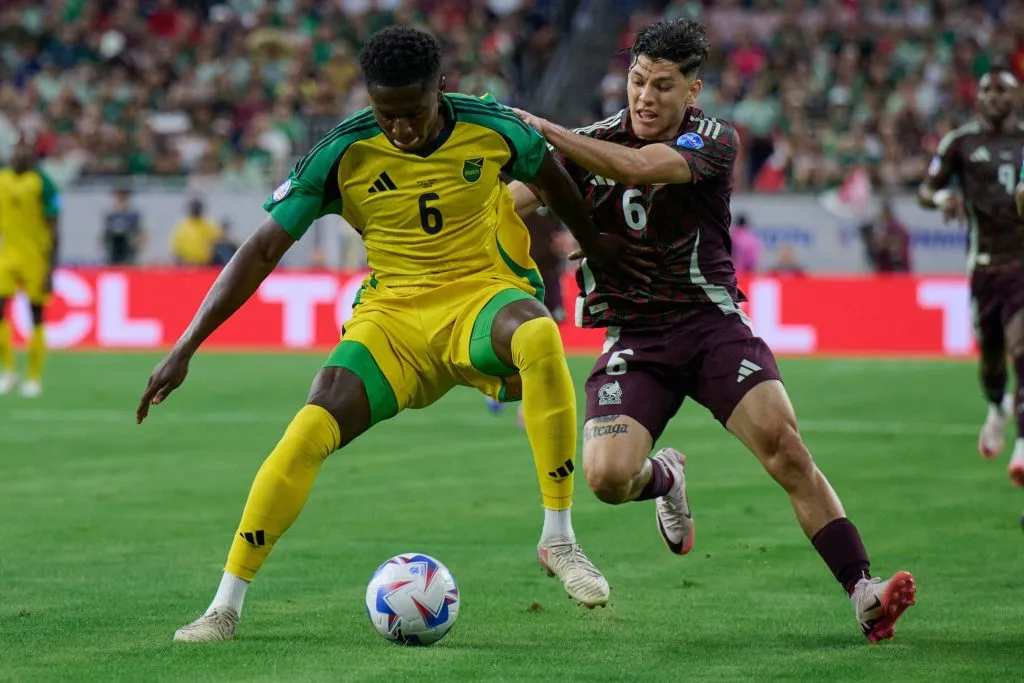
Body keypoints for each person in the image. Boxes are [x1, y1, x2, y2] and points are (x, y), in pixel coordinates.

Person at [137, 25, 652, 642]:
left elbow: (554, 183)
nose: (401, 129)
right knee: (309, 424)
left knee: (539, 334)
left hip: (480, 302)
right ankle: (224, 607)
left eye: (412, 113)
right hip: (393, 323)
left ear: (441, 88)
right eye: (387, 115)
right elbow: (262, 249)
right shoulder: (342, 152)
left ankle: (559, 538)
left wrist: (595, 246)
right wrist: (185, 345)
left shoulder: (491, 128)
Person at [510, 18, 915, 643]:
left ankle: (864, 592)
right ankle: (666, 475)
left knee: (785, 448)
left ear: (692, 91)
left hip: (712, 326)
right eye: (637, 80)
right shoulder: (589, 141)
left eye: (664, 86)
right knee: (608, 480)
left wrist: (540, 132)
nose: (645, 96)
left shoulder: (713, 139)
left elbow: (635, 167)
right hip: (635, 339)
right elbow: (513, 201)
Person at [918, 66, 1024, 482]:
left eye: (1003, 90)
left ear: (1016, 97)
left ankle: (1021, 447)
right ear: (977, 97)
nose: (994, 96)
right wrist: (944, 195)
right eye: (987, 89)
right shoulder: (960, 142)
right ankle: (997, 406)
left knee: (1022, 347)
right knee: (992, 361)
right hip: (983, 267)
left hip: (1022, 264)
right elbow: (925, 191)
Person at [0, 140, 61, 398]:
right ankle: (9, 370)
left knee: (36, 315)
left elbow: (55, 224)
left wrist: (51, 266)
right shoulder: (2, 179)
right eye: (17, 149)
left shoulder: (44, 183)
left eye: (26, 151)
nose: (20, 155)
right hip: (7, 255)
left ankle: (34, 378)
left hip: (36, 258)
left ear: (33, 156)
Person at [170, 197, 221, 266]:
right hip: (186, 265)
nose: (195, 209)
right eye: (194, 207)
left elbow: (218, 243)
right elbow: (176, 248)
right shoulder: (182, 226)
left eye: (197, 207)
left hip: (205, 264)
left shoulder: (209, 225)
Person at [102, 186, 146, 266]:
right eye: (119, 197)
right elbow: (104, 236)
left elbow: (142, 236)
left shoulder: (133, 216)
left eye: (124, 197)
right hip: (113, 254)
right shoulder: (110, 216)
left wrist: (134, 241)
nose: (121, 200)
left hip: (129, 253)